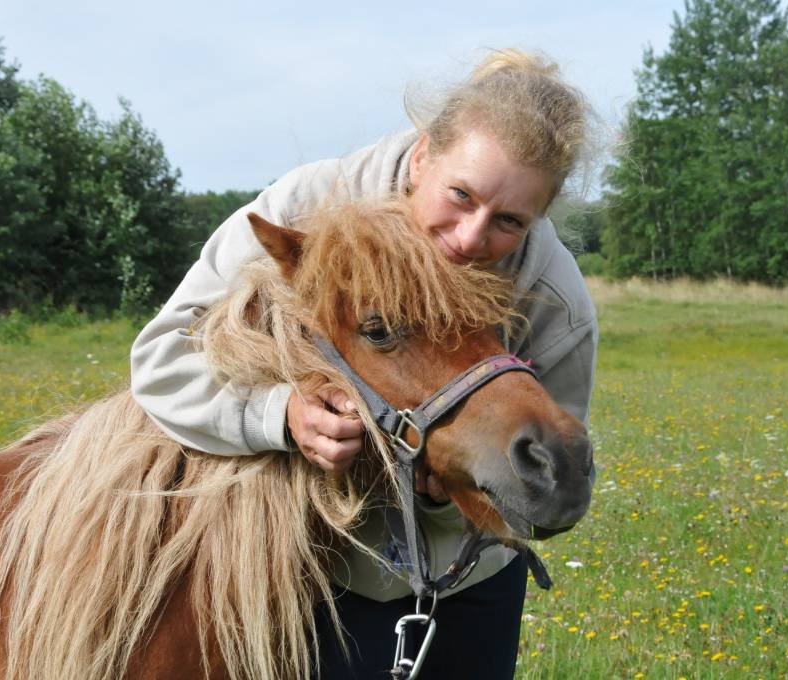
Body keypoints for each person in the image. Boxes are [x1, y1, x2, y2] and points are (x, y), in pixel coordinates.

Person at [130, 48, 598, 679]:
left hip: (470, 575)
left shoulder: (555, 298)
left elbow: (548, 462)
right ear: (426, 152)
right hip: (321, 566)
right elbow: (164, 360)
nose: (468, 237)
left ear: (540, 217)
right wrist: (282, 416)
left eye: (509, 221)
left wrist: (453, 490)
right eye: (460, 195)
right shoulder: (306, 208)